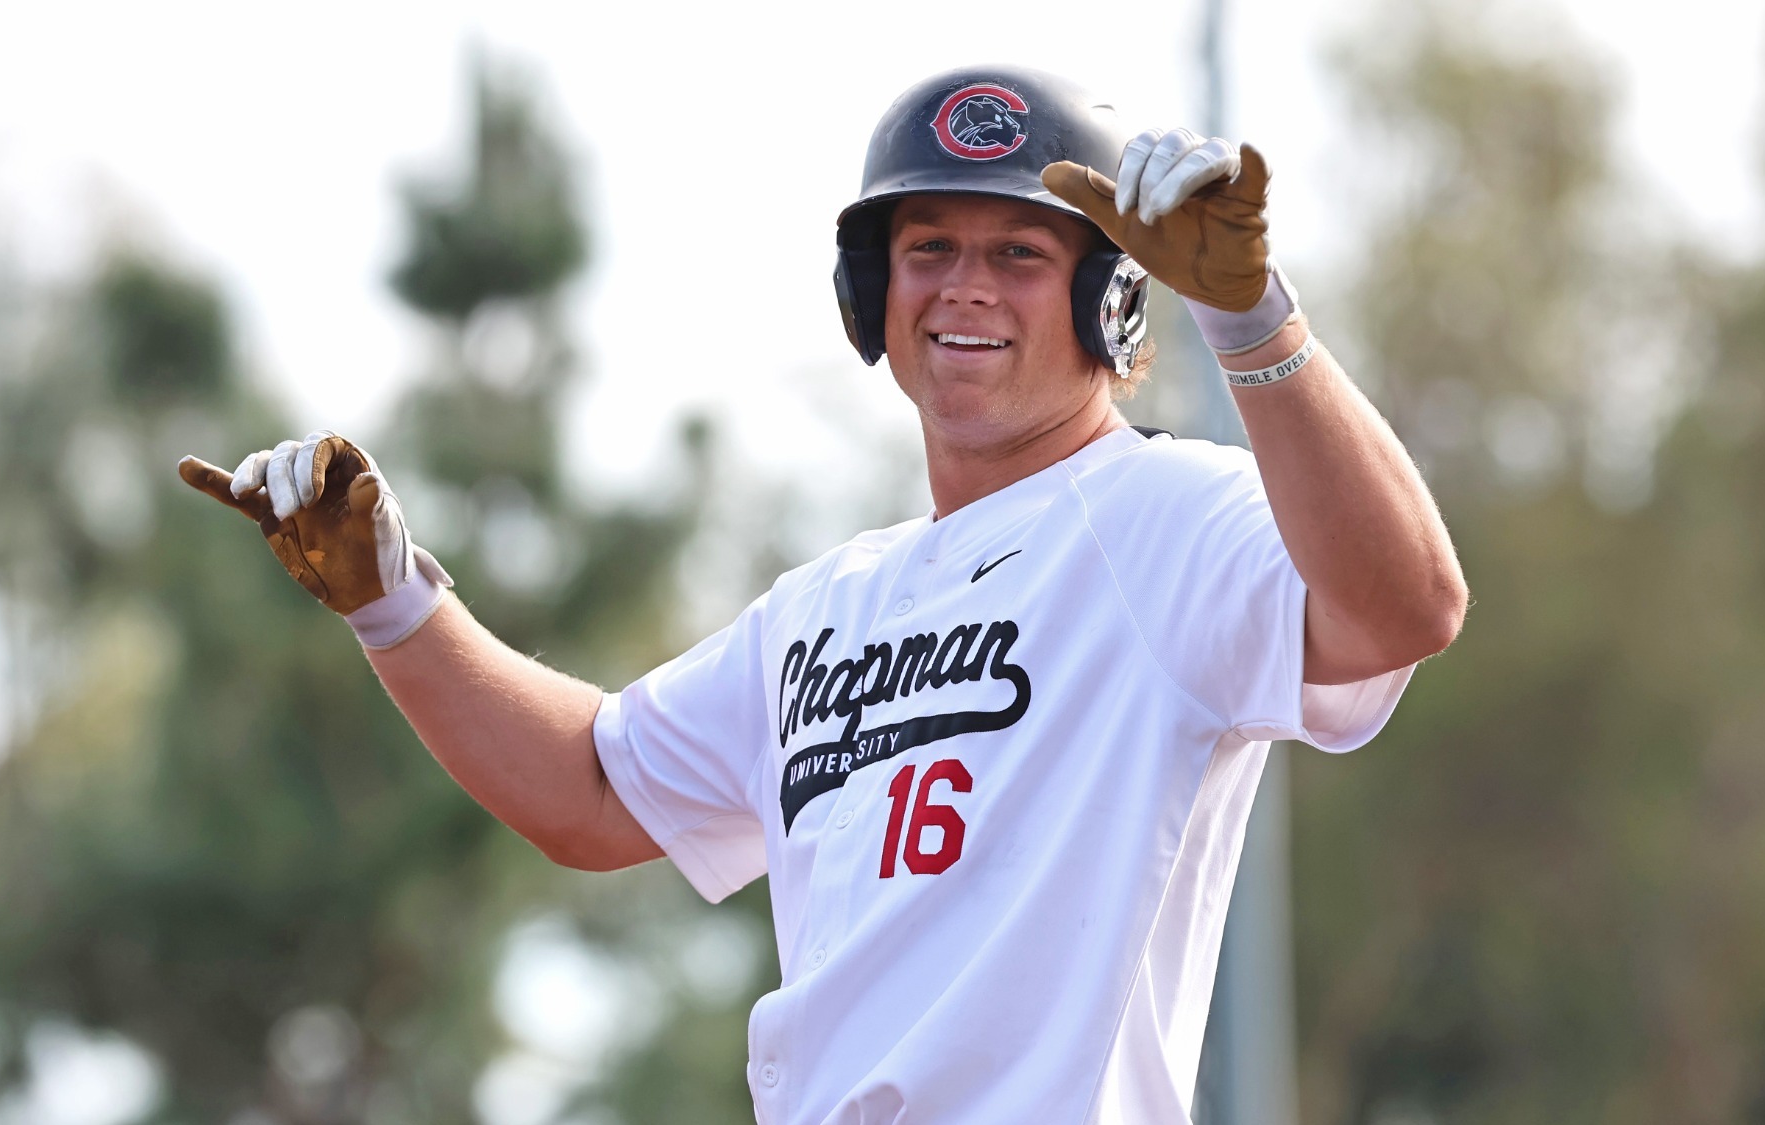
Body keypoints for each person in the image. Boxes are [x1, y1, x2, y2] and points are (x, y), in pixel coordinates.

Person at [179, 65, 1466, 1125]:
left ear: (1107, 299)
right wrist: (394, 604)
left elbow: (1405, 607)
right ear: (871, 293)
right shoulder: (829, 604)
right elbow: (589, 793)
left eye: (1020, 251)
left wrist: (1251, 325)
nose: (964, 283)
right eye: (926, 247)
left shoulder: (1164, 518)